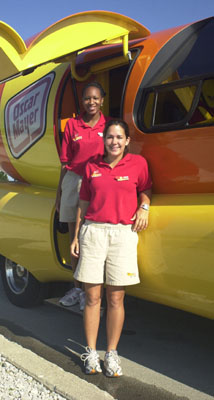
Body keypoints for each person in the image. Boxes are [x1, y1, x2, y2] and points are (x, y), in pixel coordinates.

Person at [71, 119, 152, 377]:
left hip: (122, 234)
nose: (114, 142)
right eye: (110, 137)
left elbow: (147, 189)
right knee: (93, 297)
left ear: (127, 141)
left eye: (119, 137)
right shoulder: (91, 166)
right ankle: (91, 352)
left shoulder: (138, 164)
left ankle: (112, 353)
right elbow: (83, 202)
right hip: (93, 232)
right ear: (104, 140)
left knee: (116, 298)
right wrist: (75, 237)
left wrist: (144, 207)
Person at [56, 82, 110, 310]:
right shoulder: (73, 125)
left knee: (96, 236)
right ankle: (77, 289)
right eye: (87, 98)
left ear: (102, 101)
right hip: (74, 180)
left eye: (95, 98)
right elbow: (65, 162)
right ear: (83, 100)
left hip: (98, 181)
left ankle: (97, 291)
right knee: (74, 237)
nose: (91, 102)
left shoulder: (109, 126)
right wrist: (59, 193)